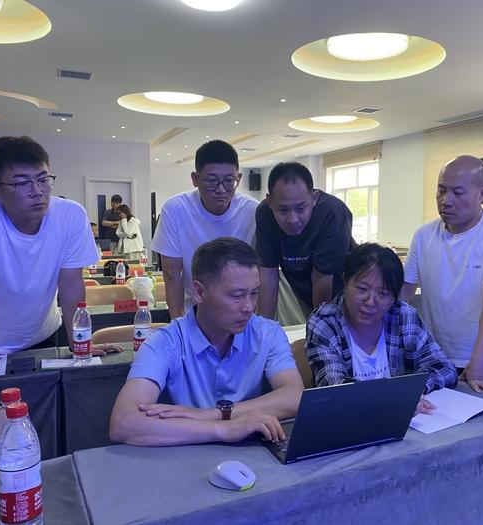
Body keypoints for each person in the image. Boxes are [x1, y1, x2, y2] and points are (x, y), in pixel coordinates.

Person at [110, 237, 304, 446]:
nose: (248, 307)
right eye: (236, 296)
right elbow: (123, 422)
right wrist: (225, 428)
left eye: (254, 293)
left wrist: (216, 414)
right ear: (199, 292)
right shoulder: (166, 342)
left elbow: (295, 396)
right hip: (185, 458)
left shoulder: (267, 333)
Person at [0, 136, 113, 356]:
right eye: (22, 183)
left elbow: (70, 286)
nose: (37, 191)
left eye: (43, 179)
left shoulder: (70, 215)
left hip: (43, 335)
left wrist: (79, 344)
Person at [400, 155, 483, 399]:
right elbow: (404, 293)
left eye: (458, 193)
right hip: (438, 358)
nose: (446, 201)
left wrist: (479, 360)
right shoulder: (424, 235)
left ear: (482, 193)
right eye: (441, 191)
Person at [306, 243, 457, 413]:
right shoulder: (325, 322)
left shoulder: (404, 316)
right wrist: (395, 399)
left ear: (395, 296)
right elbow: (334, 389)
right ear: (345, 281)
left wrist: (415, 391)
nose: (370, 301)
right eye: (362, 289)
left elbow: (444, 368)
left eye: (383, 293)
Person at [151, 140, 258, 319]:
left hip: (242, 314)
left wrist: (255, 322)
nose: (221, 189)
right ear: (195, 178)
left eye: (229, 181)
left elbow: (262, 272)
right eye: (211, 181)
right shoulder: (175, 209)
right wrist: (179, 324)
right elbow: (171, 273)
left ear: (238, 179)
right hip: (193, 313)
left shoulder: (253, 210)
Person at [256, 162, 355, 321]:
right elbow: (268, 273)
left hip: (343, 292)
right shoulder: (264, 215)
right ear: (270, 202)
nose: (292, 220)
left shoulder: (331, 213)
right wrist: (262, 325)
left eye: (301, 209)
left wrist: (320, 326)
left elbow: (322, 277)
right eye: (283, 210)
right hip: (303, 290)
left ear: (314, 198)